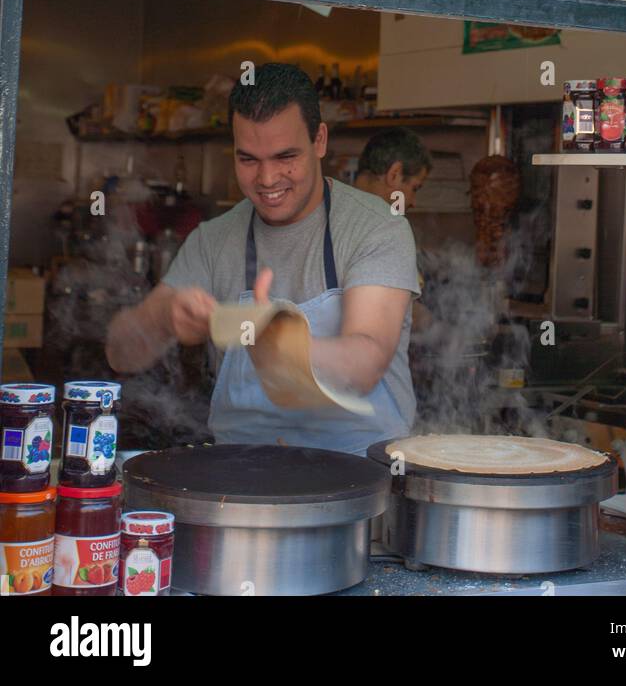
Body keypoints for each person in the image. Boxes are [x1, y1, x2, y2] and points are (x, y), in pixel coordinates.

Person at [105, 64, 419, 456]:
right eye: (248, 159)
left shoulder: (376, 228)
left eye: (285, 156)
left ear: (319, 140)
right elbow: (120, 353)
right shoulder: (213, 240)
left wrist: (281, 345)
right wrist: (164, 317)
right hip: (242, 480)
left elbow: (365, 362)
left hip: (360, 481)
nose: (268, 179)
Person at [354, 127, 432, 328]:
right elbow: (404, 313)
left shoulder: (333, 214)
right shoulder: (390, 229)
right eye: (415, 188)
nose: (413, 201)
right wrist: (435, 325)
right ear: (395, 174)